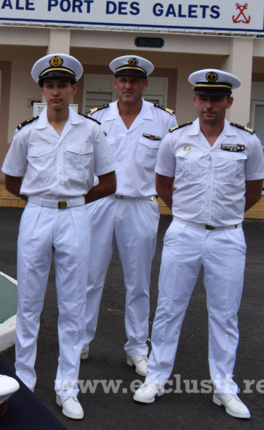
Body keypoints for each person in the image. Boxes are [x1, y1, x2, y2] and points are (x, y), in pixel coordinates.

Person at [133, 70, 264, 420]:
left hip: (227, 236)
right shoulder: (176, 139)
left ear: (228, 102)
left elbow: (253, 191)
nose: (209, 105)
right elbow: (163, 184)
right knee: (169, 308)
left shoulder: (247, 141)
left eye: (216, 98)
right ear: (195, 101)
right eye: (203, 98)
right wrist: (188, 215)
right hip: (185, 232)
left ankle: (224, 386)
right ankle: (157, 378)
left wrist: (224, 217)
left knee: (224, 313)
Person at [1, 53, 117, 420]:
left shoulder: (91, 130)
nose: (56, 92)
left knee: (73, 304)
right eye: (50, 86)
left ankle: (68, 387)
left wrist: (76, 200)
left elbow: (110, 181)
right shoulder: (27, 132)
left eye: (62, 85)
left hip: (76, 217)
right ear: (42, 90)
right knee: (29, 302)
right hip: (36, 215)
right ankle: (23, 380)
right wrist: (40, 199)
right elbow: (12, 180)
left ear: (73, 89)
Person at [82, 55, 177, 375]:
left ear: (145, 84)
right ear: (115, 83)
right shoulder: (97, 119)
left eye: (134, 80)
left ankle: (137, 347)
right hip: (100, 204)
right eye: (123, 80)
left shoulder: (163, 120)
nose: (128, 85)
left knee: (137, 282)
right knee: (90, 277)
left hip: (140, 205)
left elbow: (173, 167)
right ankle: (81, 340)